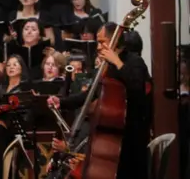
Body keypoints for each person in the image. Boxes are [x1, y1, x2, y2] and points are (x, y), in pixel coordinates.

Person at [48, 24, 152, 179]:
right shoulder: (106, 67)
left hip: (133, 134)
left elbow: (137, 88)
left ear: (114, 40)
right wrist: (62, 102)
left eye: (102, 42)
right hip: (114, 134)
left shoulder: (134, 61)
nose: (98, 47)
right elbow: (90, 94)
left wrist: (117, 61)